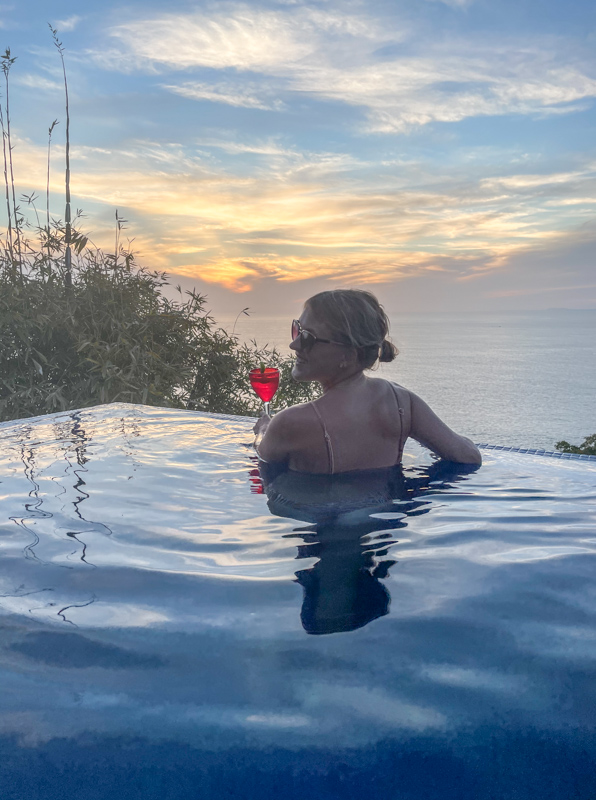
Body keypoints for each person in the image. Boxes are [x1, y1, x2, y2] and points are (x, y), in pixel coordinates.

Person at [254, 289, 481, 472]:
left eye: (307, 338)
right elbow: (468, 456)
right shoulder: (403, 403)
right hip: (388, 525)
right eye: (297, 330)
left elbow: (263, 459)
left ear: (348, 355)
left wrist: (264, 429)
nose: (294, 345)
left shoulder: (289, 423)